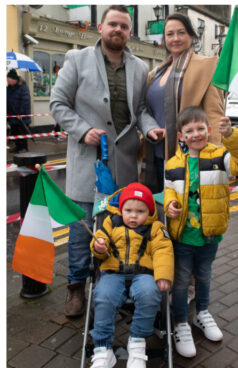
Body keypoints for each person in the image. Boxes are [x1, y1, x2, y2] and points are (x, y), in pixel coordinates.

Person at [50, 5, 161, 318]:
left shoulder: (140, 67)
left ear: (129, 32)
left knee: (120, 229)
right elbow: (58, 104)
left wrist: (151, 130)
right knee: (81, 229)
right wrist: (83, 130)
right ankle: (75, 287)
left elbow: (140, 110)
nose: (119, 31)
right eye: (113, 24)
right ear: (101, 27)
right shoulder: (77, 59)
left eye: (124, 27)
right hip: (88, 161)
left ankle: (115, 284)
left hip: (124, 163)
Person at [164, 107, 238, 357]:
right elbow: (169, 189)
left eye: (200, 129)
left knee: (204, 275)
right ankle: (181, 321)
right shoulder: (172, 164)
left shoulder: (220, 156)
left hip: (210, 234)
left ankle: (202, 312)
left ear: (209, 130)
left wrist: (232, 135)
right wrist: (169, 204)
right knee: (181, 280)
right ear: (181, 136)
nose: (196, 134)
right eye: (189, 131)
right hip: (183, 235)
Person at [86, 182, 173, 368]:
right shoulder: (110, 222)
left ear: (149, 211)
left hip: (144, 273)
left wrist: (163, 276)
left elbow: (163, 251)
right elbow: (99, 239)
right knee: (103, 295)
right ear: (121, 209)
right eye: (128, 210)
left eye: (140, 211)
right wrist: (98, 247)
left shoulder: (156, 228)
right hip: (113, 272)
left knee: (150, 293)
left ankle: (137, 340)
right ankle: (102, 351)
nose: (133, 216)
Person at [143, 12, 225, 192]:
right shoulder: (155, 73)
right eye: (170, 34)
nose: (175, 38)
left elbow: (214, 113)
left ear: (192, 36)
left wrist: (214, 155)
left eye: (181, 32)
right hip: (155, 153)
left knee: (184, 214)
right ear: (164, 39)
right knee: (161, 211)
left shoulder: (207, 66)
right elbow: (146, 110)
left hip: (188, 155)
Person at [6, 69, 31, 153]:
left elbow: (25, 101)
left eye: (8, 79)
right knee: (15, 132)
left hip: (21, 117)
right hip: (12, 116)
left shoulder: (23, 87)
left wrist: (21, 114)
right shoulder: (8, 89)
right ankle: (18, 147)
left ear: (14, 79)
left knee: (22, 133)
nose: (7, 80)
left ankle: (24, 148)